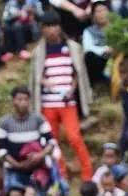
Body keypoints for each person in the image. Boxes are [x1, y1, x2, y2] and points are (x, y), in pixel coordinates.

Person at [32, 10, 94, 181]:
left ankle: (87, 171)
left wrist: (72, 88)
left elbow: (78, 73)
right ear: (42, 29)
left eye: (55, 26)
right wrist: (45, 83)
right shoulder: (39, 51)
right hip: (48, 103)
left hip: (67, 101)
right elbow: (36, 76)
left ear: (60, 27)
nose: (52, 30)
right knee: (52, 140)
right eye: (48, 27)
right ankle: (60, 173)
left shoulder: (72, 47)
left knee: (74, 136)